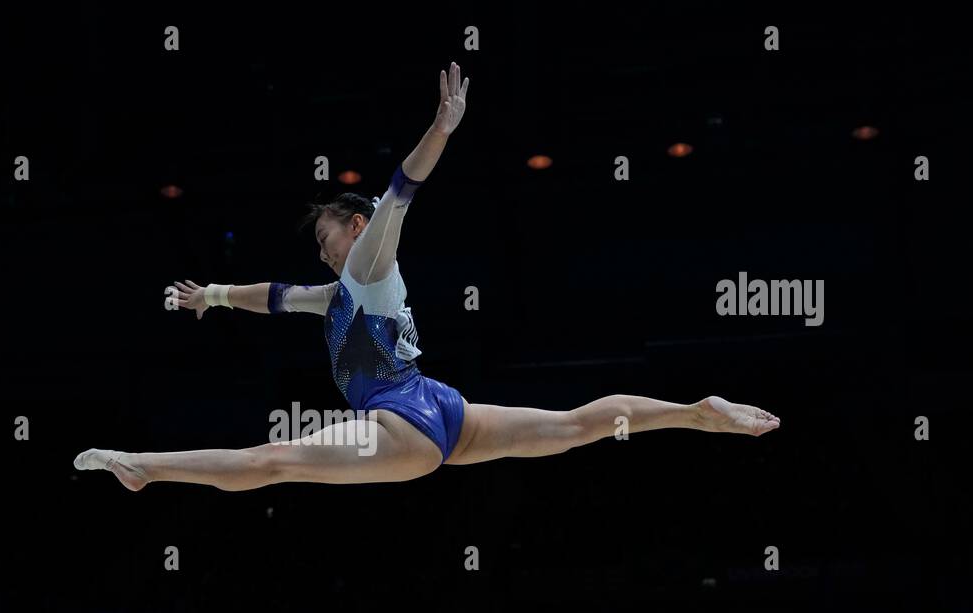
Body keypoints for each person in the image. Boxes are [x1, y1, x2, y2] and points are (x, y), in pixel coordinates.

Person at [75, 62, 778, 490]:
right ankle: (693, 414)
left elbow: (403, 186)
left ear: (353, 229)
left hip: (399, 423)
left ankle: (140, 463)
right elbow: (280, 297)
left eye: (327, 240)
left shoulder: (372, 258)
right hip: (438, 406)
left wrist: (442, 128)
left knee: (273, 461)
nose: (323, 254)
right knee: (570, 426)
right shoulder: (342, 293)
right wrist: (220, 296)